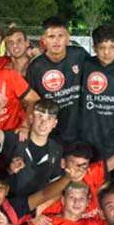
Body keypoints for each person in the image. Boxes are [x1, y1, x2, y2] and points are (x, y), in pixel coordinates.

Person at [79, 25, 114, 185]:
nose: (107, 52)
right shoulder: (86, 65)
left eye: (112, 47)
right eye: (102, 48)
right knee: (93, 184)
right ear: (94, 48)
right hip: (92, 141)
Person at [25, 17, 89, 145]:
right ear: (43, 40)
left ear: (68, 37)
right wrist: (27, 127)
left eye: (61, 35)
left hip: (81, 133)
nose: (56, 41)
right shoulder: (35, 67)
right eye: (51, 36)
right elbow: (30, 103)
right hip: (51, 134)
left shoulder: (80, 55)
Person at [0, 96, 63, 197]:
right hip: (9, 201)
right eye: (39, 116)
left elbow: (55, 184)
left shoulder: (56, 149)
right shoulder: (16, 138)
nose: (43, 122)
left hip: (36, 203)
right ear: (31, 118)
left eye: (49, 118)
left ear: (55, 123)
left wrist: (42, 204)